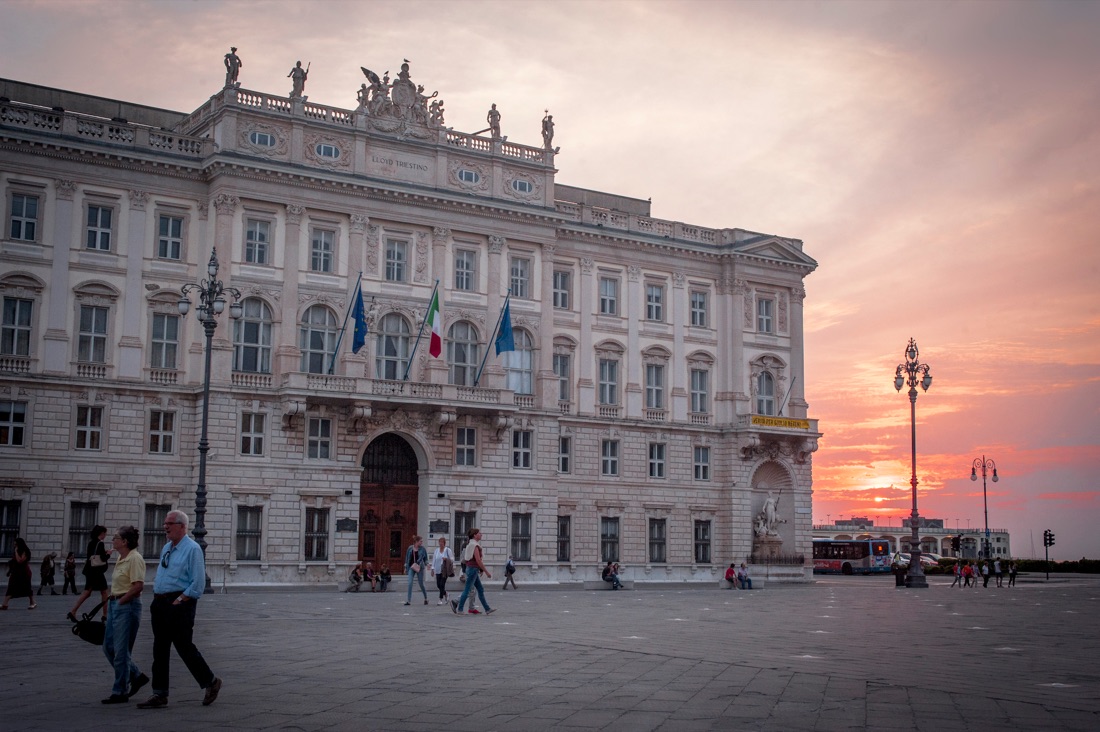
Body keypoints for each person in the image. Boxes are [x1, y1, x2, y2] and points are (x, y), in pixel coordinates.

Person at [136, 510, 221, 709]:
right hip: (160, 603)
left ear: (182, 526)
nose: (165, 526)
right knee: (160, 649)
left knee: (184, 647)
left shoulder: (192, 549)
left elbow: (198, 583)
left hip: (180, 603)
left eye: (169, 523)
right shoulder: (167, 547)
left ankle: (211, 682)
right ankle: (159, 693)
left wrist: (180, 599)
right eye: (165, 522)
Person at [101, 526, 148, 704]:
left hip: (127, 606)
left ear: (125, 541)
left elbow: (138, 586)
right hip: (115, 604)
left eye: (116, 538)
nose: (113, 540)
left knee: (121, 651)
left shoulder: (135, 559)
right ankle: (136, 675)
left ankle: (120, 691)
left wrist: (121, 601)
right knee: (108, 647)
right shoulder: (121, 558)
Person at [68, 525, 109, 622]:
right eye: (105, 533)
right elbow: (102, 558)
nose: (105, 535)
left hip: (89, 570)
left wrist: (104, 553)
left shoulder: (91, 543)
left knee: (87, 592)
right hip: (97, 572)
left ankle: (73, 611)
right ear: (102, 533)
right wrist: (108, 554)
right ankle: (105, 614)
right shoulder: (100, 543)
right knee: (104, 592)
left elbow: (92, 556)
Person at [451, 527, 494, 615]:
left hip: (472, 569)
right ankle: (460, 608)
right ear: (475, 535)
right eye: (479, 533)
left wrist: (481, 569)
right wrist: (486, 571)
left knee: (480, 589)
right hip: (472, 570)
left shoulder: (472, 544)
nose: (481, 534)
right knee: (467, 590)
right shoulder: (474, 546)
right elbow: (478, 560)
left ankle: (487, 608)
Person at [2, 537, 35, 609]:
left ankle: (32, 602)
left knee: (27, 588)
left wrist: (16, 551)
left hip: (24, 573)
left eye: (16, 545)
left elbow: (20, 560)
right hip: (15, 572)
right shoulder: (17, 550)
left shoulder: (25, 551)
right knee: (11, 587)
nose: (14, 546)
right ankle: (5, 604)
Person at [404, 535, 429, 606]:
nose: (422, 542)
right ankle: (408, 600)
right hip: (411, 567)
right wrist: (405, 567)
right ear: (416, 542)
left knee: (421, 584)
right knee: (410, 583)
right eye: (420, 541)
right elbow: (407, 558)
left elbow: (425, 559)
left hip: (419, 567)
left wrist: (427, 564)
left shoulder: (422, 549)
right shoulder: (410, 548)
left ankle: (426, 598)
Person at [431, 537, 454, 605]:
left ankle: (440, 599)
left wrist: (446, 558)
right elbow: (434, 560)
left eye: (442, 542)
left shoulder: (447, 550)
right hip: (438, 569)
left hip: (445, 570)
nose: (441, 544)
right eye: (440, 542)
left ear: (444, 543)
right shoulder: (436, 551)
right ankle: (446, 593)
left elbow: (452, 559)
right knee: (438, 585)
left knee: (442, 584)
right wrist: (432, 569)